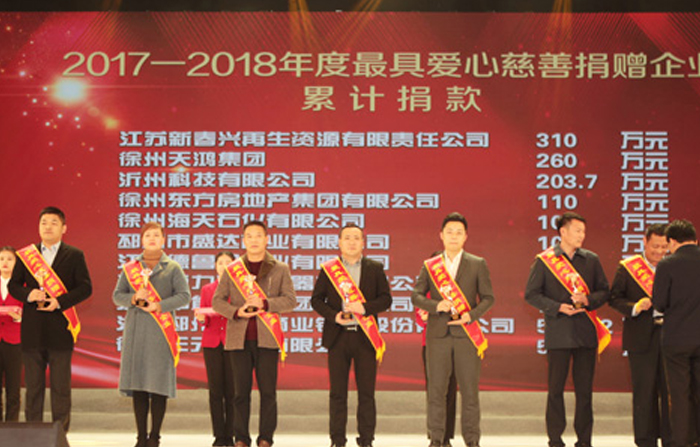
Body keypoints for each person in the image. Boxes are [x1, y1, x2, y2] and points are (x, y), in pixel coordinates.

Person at [525, 212, 610, 447]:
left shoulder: (591, 260)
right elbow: (531, 294)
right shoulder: (544, 261)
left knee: (584, 392)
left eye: (584, 231)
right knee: (555, 390)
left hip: (585, 333)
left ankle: (584, 440)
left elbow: (605, 291)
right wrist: (557, 307)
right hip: (558, 332)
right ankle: (555, 440)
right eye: (577, 230)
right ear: (563, 231)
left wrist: (588, 300)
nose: (582, 235)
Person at [412, 212, 495, 447]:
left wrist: (471, 315)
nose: (454, 236)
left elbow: (488, 298)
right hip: (437, 336)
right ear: (441, 235)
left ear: (466, 236)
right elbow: (416, 296)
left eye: (459, 232)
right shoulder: (430, 266)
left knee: (469, 392)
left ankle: (472, 440)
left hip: (466, 335)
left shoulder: (477, 263)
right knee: (436, 392)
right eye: (449, 232)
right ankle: (436, 439)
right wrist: (435, 305)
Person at [212, 220, 297, 447]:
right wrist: (236, 311)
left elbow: (290, 300)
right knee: (240, 393)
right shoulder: (233, 269)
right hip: (238, 340)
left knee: (268, 393)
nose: (254, 240)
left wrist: (265, 303)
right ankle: (241, 438)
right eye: (249, 236)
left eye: (258, 235)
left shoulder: (280, 268)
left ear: (267, 239)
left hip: (267, 338)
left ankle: (265, 438)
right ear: (243, 240)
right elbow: (217, 301)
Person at [9, 206, 92, 432]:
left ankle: (59, 435)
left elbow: (85, 288)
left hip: (60, 330)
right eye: (44, 222)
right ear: (38, 227)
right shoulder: (25, 256)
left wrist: (60, 302)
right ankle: (33, 435)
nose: (48, 227)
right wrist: (29, 294)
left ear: (64, 228)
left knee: (60, 389)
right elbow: (13, 286)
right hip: (32, 331)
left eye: (54, 223)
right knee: (33, 389)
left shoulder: (74, 255)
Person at [311, 223, 393, 447]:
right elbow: (316, 300)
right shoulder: (329, 269)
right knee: (337, 393)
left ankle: (366, 439)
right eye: (347, 238)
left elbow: (386, 299)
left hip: (365, 337)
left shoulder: (374, 268)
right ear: (339, 242)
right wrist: (334, 316)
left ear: (363, 243)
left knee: (366, 393)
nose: (352, 242)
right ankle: (337, 440)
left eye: (356, 238)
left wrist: (364, 308)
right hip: (338, 337)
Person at [113, 221, 191, 447]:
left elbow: (184, 296)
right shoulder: (131, 268)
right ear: (141, 240)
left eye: (156, 235)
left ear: (163, 240)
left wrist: (159, 305)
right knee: (138, 385)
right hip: (136, 332)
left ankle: (155, 436)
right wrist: (133, 298)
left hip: (160, 333)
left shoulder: (172, 267)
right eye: (148, 235)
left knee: (158, 385)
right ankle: (140, 437)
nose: (152, 239)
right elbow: (117, 296)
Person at [609, 224, 671, 447]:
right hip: (640, 338)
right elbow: (614, 298)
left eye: (664, 247)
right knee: (644, 393)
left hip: (671, 338)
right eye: (655, 246)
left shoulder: (674, 267)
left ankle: (671, 440)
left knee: (671, 393)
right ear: (644, 242)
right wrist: (635, 307)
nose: (659, 251)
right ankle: (645, 441)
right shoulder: (628, 268)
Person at [652, 219, 700, 447]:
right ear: (695, 239)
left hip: (677, 339)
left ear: (671, 241)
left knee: (679, 394)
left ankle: (682, 442)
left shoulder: (667, 264)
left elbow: (659, 303)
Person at [196, 251, 236, 447]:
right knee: (215, 391)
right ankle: (219, 436)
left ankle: (231, 435)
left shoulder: (239, 289)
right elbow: (204, 317)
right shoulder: (207, 289)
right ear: (215, 266)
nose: (224, 266)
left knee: (232, 391)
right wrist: (201, 318)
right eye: (220, 262)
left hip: (233, 343)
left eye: (228, 262)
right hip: (212, 343)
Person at [415, 307, 457, 447]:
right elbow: (421, 318)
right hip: (431, 343)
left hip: (454, 342)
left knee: (450, 389)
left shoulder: (455, 293)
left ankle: (446, 437)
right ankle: (435, 436)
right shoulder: (425, 293)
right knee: (434, 391)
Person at [0, 246, 22, 422]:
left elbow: (31, 312)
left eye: (9, 259)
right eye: (1, 259)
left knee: (13, 389)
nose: (5, 263)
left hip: (15, 340)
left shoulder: (23, 286)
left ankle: (12, 426)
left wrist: (19, 317)